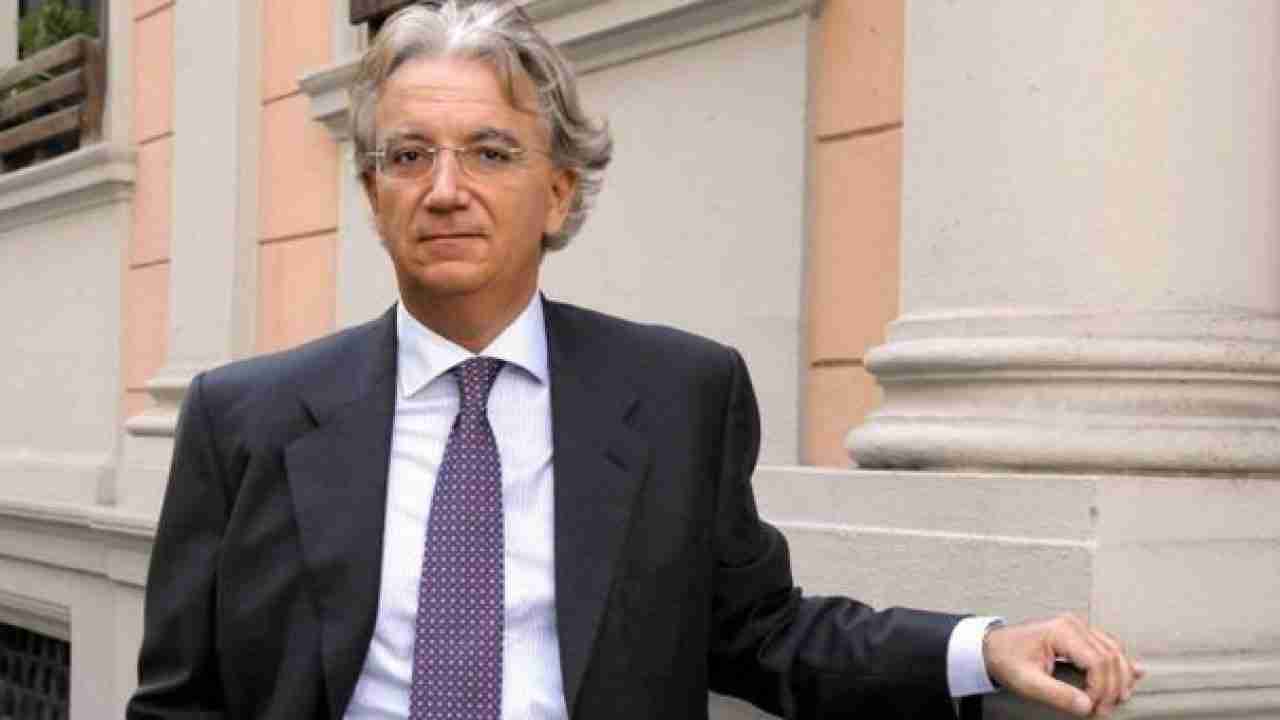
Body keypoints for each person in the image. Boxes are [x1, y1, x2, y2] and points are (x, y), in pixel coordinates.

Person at [128, 2, 1142, 718]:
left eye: (489, 152)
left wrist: (978, 649)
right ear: (372, 192)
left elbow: (759, 634)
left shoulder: (677, 396)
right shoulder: (244, 417)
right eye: (408, 155)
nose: (444, 189)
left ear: (559, 191)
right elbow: (180, 701)